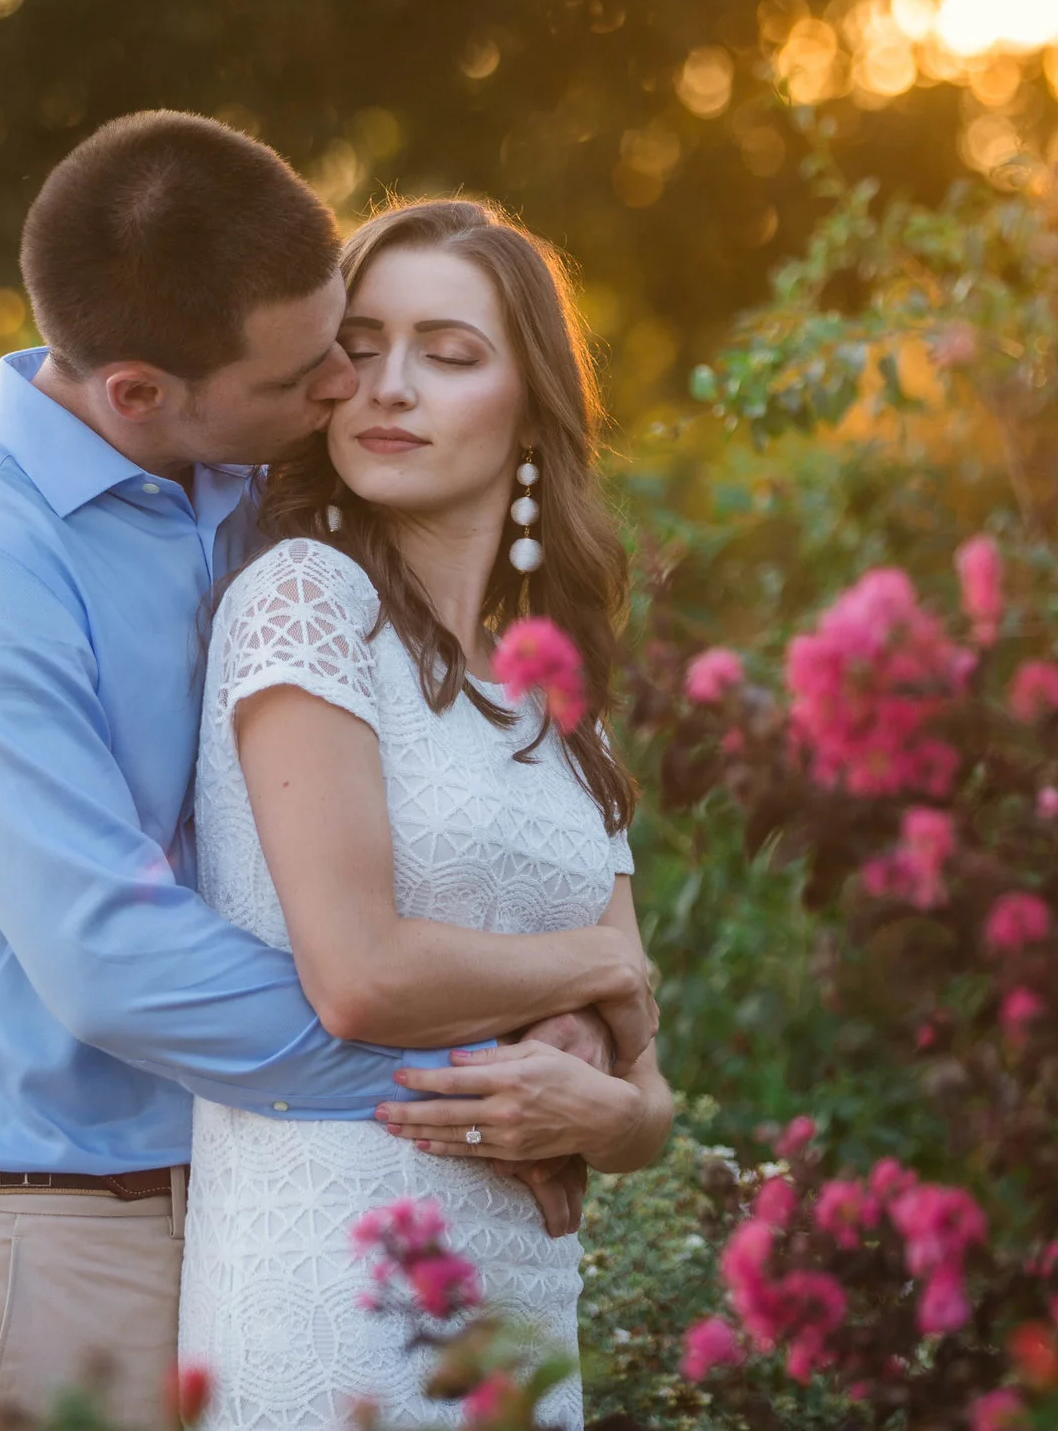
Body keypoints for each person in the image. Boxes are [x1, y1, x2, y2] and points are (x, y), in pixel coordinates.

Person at [0, 115, 660, 1431]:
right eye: (312, 365)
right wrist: (490, 1084)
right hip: (55, 1240)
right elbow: (118, 961)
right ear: (140, 390)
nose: (345, 383)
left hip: (261, 1197)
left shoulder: (229, 489)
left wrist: (587, 1068)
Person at [180, 198, 673, 1429]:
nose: (390, 385)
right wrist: (599, 969)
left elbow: (642, 1077)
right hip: (331, 1275)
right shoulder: (303, 599)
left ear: (529, 409)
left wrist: (612, 1118)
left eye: (449, 356)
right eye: (364, 345)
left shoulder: (558, 694)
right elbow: (356, 971)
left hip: (518, 1303)